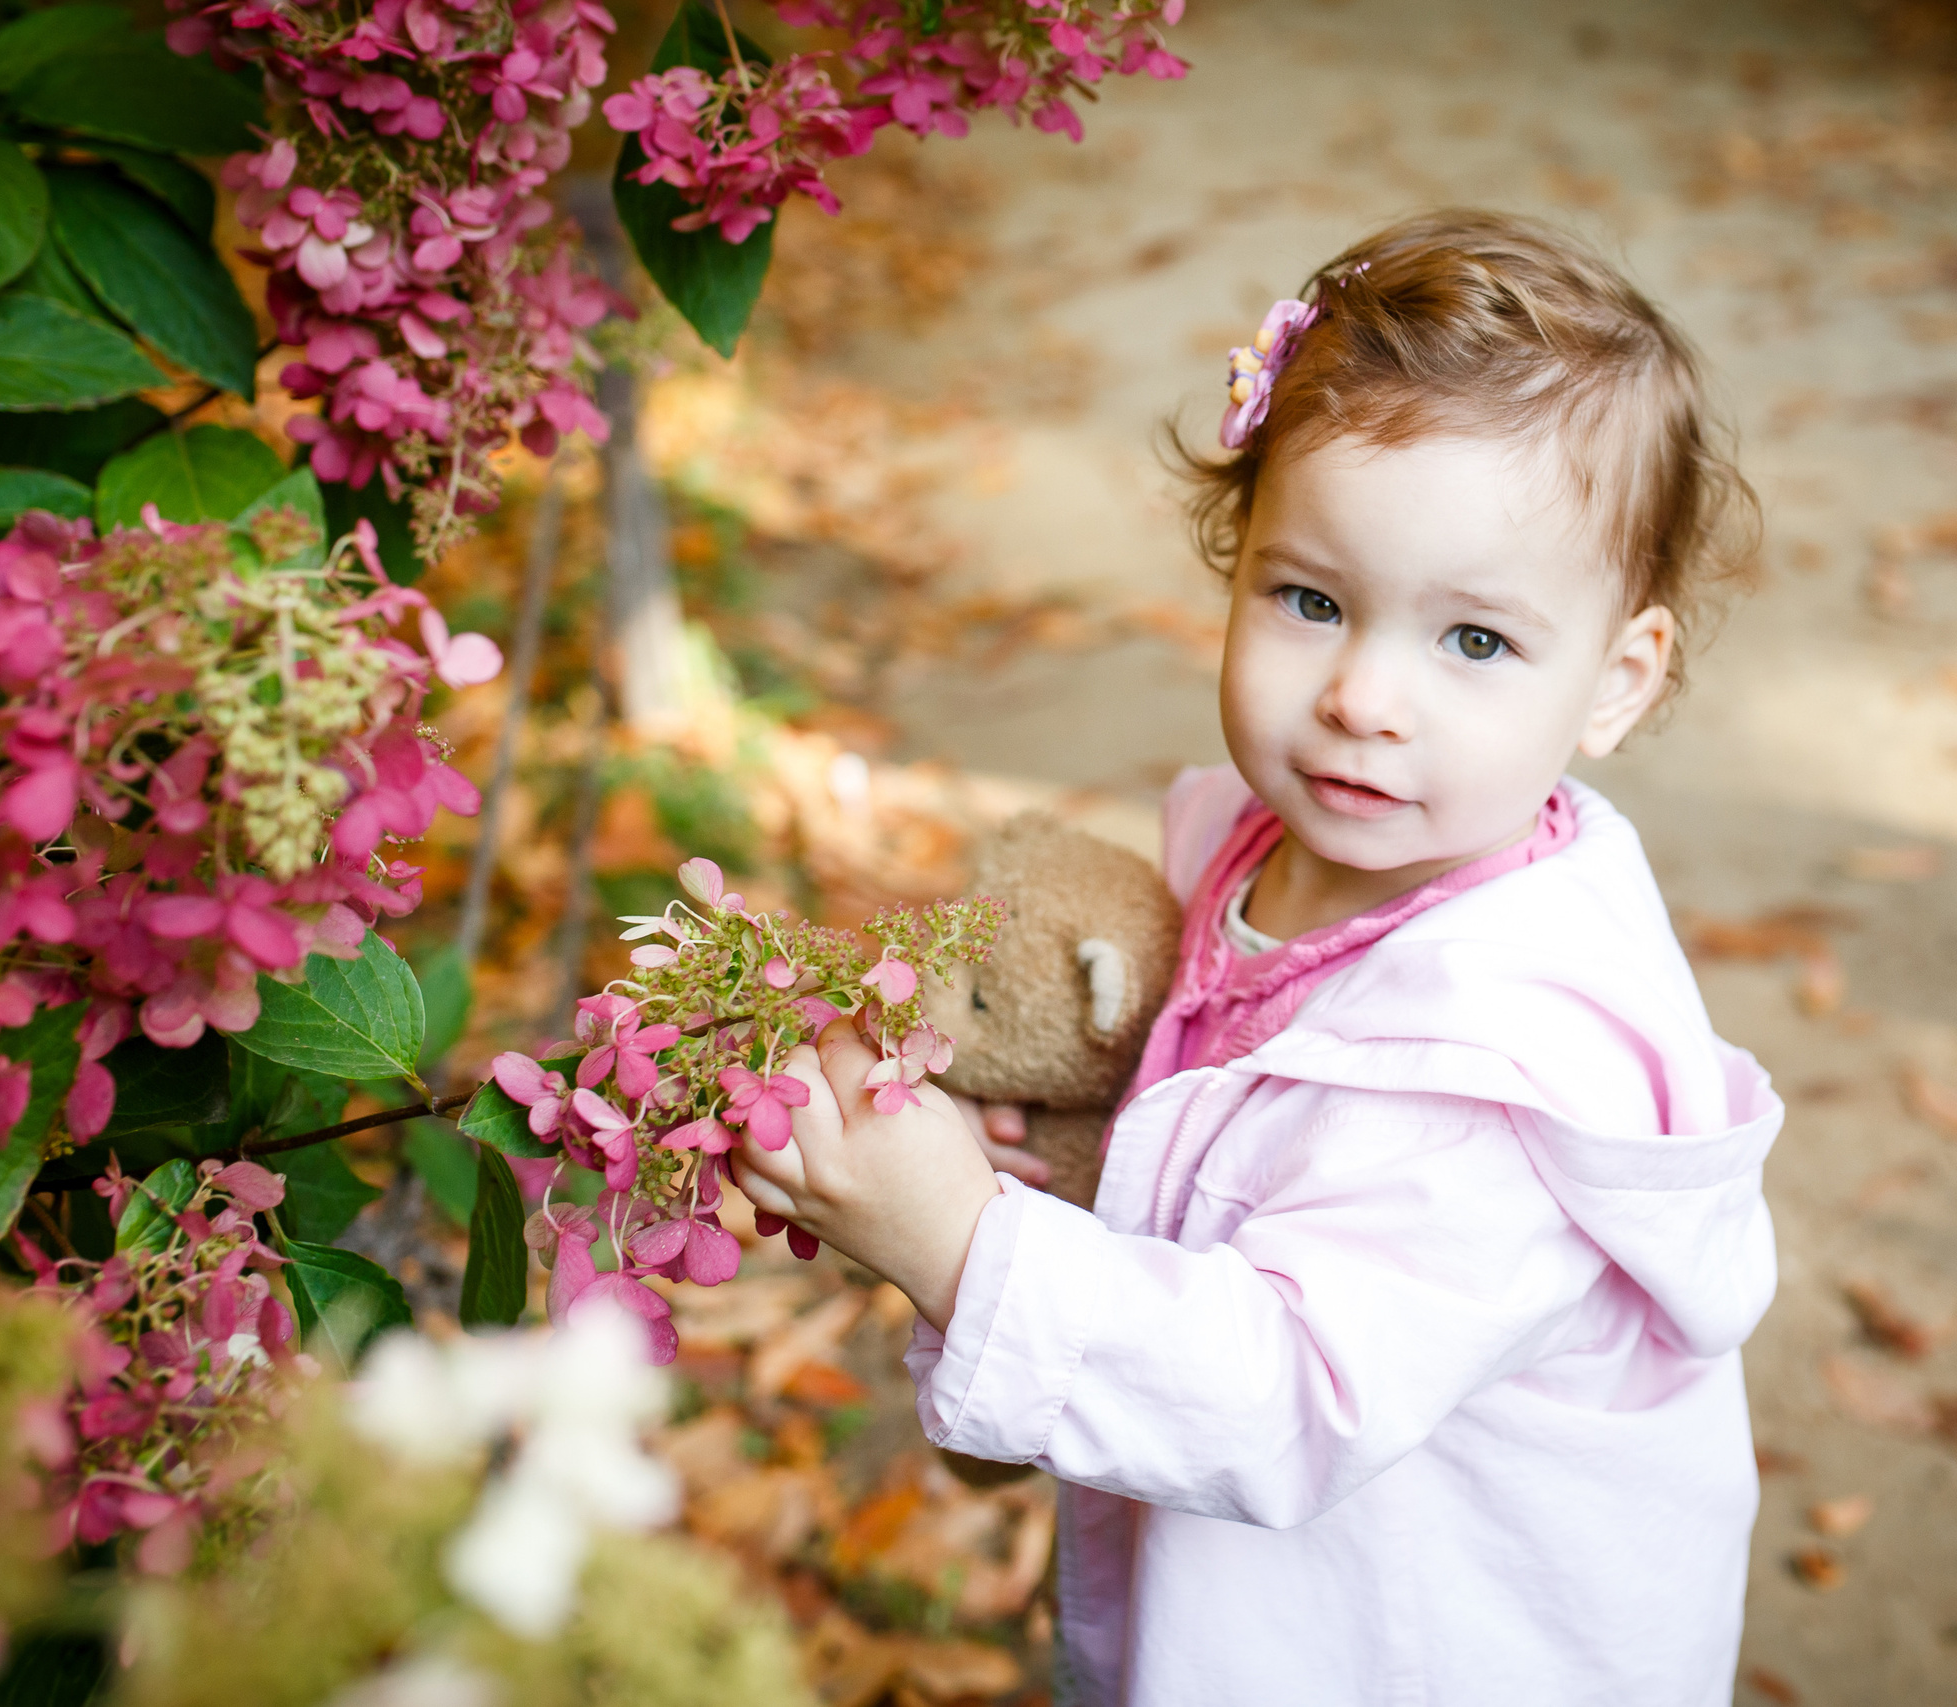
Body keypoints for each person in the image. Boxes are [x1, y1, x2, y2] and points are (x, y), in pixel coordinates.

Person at [733, 209, 1783, 1706]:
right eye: (1313, 601)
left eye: (1473, 643)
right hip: (1259, 1612)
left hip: (1445, 1651)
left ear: (1616, 682)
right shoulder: (1239, 848)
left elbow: (1295, 1388)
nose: (1363, 695)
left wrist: (963, 1246)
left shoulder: (1511, 1067)